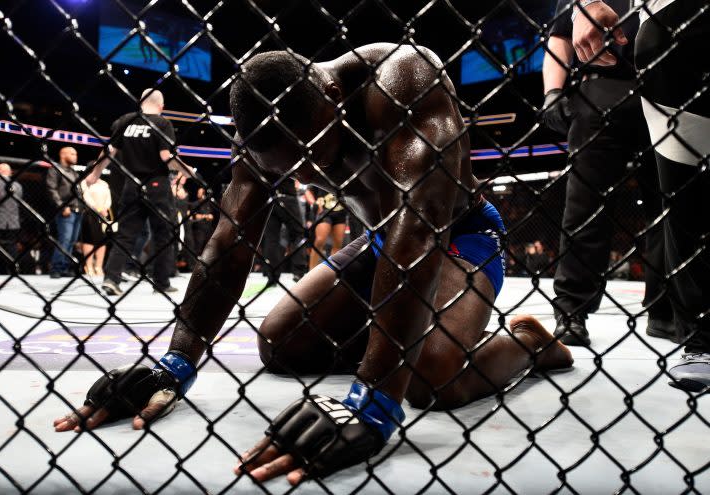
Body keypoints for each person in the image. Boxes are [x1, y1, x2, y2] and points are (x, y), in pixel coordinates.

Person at [54, 46, 574, 484]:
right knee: (280, 343)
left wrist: (373, 398)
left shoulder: (402, 80)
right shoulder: (260, 133)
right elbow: (229, 244)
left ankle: (529, 343)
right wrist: (177, 361)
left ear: (330, 96)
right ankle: (396, 339)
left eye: (309, 153)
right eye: (289, 167)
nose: (305, 172)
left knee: (431, 381)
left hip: (456, 237)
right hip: (377, 241)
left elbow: (420, 229)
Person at [568, 0, 709, 389]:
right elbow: (567, 33)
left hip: (663, 45)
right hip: (664, 37)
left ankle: (684, 325)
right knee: (683, 195)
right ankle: (702, 337)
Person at [541, 0, 673, 346]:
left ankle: (666, 309)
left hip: (664, 88)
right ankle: (571, 310)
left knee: (670, 202)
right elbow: (560, 37)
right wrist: (552, 92)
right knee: (585, 204)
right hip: (601, 88)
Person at [85, 88, 197, 296]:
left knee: (126, 234)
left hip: (131, 184)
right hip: (157, 185)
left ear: (140, 101)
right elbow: (166, 156)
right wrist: (186, 170)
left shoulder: (125, 121)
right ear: (161, 107)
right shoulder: (162, 123)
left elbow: (108, 151)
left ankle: (111, 278)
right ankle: (161, 283)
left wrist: (93, 175)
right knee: (163, 234)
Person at [260, 179, 308, 285]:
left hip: (270, 198)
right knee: (298, 234)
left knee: (271, 239)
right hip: (287, 196)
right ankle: (298, 272)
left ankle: (272, 275)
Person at [46, 147, 82, 278]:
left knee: (72, 241)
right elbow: (52, 189)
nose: (75, 156)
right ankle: (56, 268)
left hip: (77, 209)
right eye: (72, 153)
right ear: (63, 155)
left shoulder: (73, 172)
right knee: (64, 239)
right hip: (66, 209)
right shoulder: (55, 169)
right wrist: (62, 206)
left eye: (76, 153)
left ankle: (65, 267)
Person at [307, 186, 348, 270]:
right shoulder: (320, 174)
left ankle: (332, 272)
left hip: (341, 210)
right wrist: (315, 203)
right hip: (324, 210)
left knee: (338, 243)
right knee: (320, 240)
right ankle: (311, 271)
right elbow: (308, 190)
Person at [0, 163, 23, 274]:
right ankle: (13, 269)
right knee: (12, 245)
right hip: (13, 220)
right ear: (10, 172)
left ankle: (0, 270)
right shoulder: (18, 186)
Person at [78, 179, 112, 277]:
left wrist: (105, 208)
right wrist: (97, 208)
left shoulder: (104, 183)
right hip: (89, 213)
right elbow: (86, 197)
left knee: (102, 240)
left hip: (103, 215)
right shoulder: (85, 182)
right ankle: (88, 266)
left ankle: (98, 266)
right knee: (89, 240)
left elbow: (108, 198)